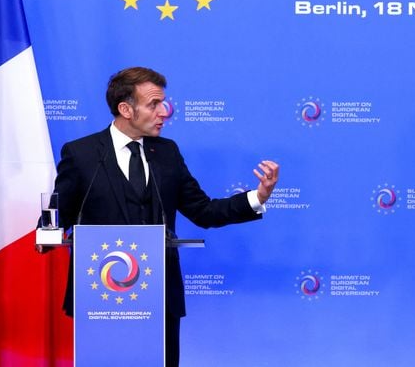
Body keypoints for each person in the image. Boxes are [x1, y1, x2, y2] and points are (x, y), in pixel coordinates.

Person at [39, 67, 279, 366]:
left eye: (162, 103)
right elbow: (57, 215)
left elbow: (203, 211)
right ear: (126, 109)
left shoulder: (167, 153)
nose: (164, 112)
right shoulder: (82, 154)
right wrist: (47, 233)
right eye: (153, 104)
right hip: (100, 296)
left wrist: (258, 197)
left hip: (159, 295)